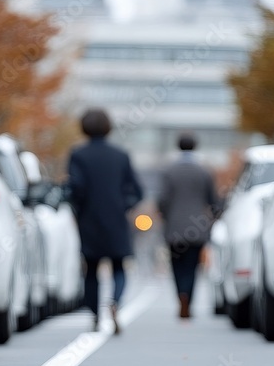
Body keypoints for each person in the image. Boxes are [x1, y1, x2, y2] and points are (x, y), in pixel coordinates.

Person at [67, 109, 143, 333]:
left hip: (89, 220)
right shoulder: (120, 155)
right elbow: (136, 191)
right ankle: (115, 302)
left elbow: (76, 188)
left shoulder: (78, 155)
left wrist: (77, 209)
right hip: (116, 219)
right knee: (119, 266)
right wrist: (123, 206)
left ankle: (94, 315)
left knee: (91, 269)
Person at [157, 132, 219, 319]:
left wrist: (166, 216)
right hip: (197, 229)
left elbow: (163, 200)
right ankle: (188, 299)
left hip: (174, 228)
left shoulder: (169, 171)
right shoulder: (204, 171)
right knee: (192, 267)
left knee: (177, 265)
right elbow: (214, 201)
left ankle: (181, 296)